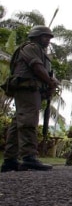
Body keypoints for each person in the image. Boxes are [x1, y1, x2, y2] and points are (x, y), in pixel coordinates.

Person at [1, 25, 59, 172]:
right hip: (27, 89)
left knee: (17, 124)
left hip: (32, 90)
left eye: (49, 37)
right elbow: (36, 67)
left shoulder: (41, 51)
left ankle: (10, 159)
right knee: (28, 121)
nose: (48, 40)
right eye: (45, 37)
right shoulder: (31, 47)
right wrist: (49, 81)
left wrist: (48, 86)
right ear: (36, 36)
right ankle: (28, 157)